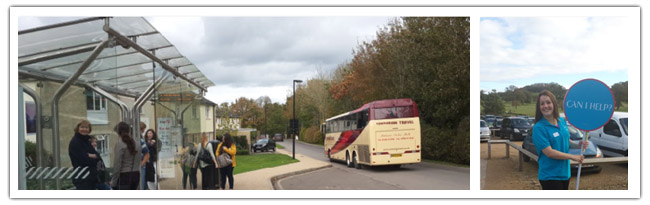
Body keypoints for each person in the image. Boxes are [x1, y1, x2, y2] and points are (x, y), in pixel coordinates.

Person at [532, 90, 588, 190]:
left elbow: (565, 140)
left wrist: (578, 145)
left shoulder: (561, 121)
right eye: (542, 104)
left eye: (548, 102)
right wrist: (572, 157)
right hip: (550, 175)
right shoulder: (539, 128)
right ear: (539, 107)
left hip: (565, 173)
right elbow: (549, 152)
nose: (545, 106)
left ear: (553, 103)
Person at [68, 120, 98, 190]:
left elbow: (97, 156)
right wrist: (90, 156)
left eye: (87, 128)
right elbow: (83, 159)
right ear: (78, 128)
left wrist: (90, 155)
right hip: (82, 176)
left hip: (91, 177)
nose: (84, 129)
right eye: (82, 127)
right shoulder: (76, 142)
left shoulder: (87, 140)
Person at [111, 122, 141, 190]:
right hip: (136, 174)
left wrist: (114, 181)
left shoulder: (119, 144)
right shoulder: (137, 144)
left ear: (118, 132)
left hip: (124, 176)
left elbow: (117, 164)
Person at [138, 122, 150, 190]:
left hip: (141, 166)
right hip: (140, 165)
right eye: (143, 130)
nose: (143, 131)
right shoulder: (139, 139)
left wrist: (141, 164)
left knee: (141, 184)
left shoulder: (141, 140)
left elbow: (147, 154)